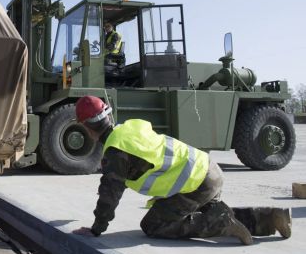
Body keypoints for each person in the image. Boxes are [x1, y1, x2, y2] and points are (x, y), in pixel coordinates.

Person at [72, 95, 292, 244]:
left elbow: (109, 195)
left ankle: (221, 224)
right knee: (203, 210)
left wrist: (96, 229)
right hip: (208, 170)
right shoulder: (128, 130)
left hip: (197, 183)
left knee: (153, 224)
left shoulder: (115, 152)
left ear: (86, 127)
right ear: (108, 115)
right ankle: (271, 217)